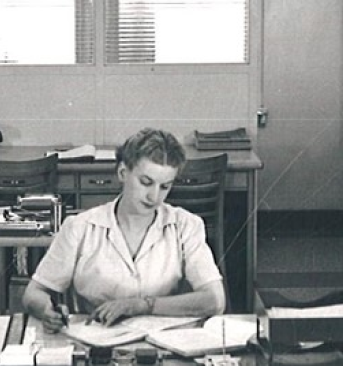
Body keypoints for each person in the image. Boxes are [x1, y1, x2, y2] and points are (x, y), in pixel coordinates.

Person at [23, 128, 225, 331]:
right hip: (96, 340)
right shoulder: (79, 227)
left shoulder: (185, 225)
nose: (154, 197)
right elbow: (34, 293)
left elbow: (215, 300)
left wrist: (139, 305)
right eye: (146, 182)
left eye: (165, 187)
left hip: (163, 341)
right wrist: (46, 311)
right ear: (122, 173)